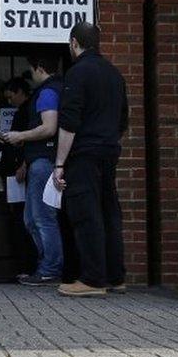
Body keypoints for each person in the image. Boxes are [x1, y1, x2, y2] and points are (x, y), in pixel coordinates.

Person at [53, 21, 128, 297]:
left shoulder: (77, 73)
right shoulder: (115, 75)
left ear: (74, 43)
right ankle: (114, 277)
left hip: (84, 153)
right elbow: (123, 119)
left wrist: (60, 164)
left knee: (86, 214)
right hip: (109, 151)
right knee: (109, 212)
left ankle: (93, 280)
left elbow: (69, 122)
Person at [4, 53, 65, 286]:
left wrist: (21, 135)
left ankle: (50, 268)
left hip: (43, 162)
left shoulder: (48, 92)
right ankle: (47, 266)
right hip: (40, 160)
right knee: (32, 218)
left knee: (41, 218)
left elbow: (49, 127)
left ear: (40, 68)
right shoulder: (59, 88)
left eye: (31, 69)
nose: (30, 74)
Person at [0, 77, 36, 276]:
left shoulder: (27, 111)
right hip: (16, 169)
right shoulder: (23, 111)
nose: (9, 102)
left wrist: (23, 164)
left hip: (20, 170)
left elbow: (30, 141)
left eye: (11, 97)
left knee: (23, 217)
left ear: (20, 92)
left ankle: (27, 265)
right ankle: (25, 265)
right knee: (21, 216)